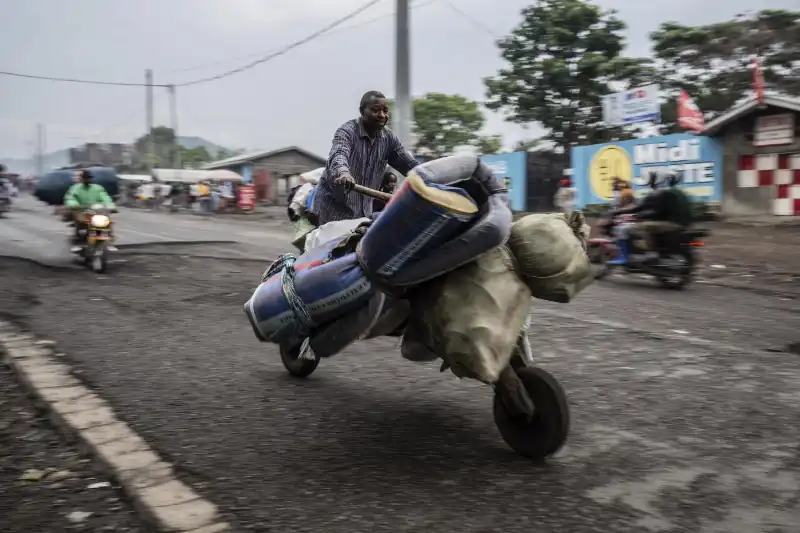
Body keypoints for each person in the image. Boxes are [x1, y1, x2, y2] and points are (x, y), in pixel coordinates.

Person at [312, 90, 419, 225]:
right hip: (333, 213)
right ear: (362, 111)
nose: (382, 115)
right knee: (336, 245)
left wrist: (429, 177)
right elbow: (338, 155)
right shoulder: (347, 132)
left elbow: (409, 165)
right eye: (375, 110)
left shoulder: (389, 139)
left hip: (363, 214)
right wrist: (344, 173)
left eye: (385, 111)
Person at [614, 170, 692, 261]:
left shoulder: (667, 193)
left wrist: (642, 215)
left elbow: (658, 211)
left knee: (645, 227)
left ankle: (652, 252)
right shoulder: (678, 192)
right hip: (683, 223)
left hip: (675, 224)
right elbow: (661, 210)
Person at [63, 169, 116, 252]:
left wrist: (110, 205)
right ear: (82, 179)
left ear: (91, 179)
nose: (87, 180)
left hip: (96, 212)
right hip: (82, 212)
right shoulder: (75, 188)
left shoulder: (98, 188)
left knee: (107, 222)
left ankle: (109, 242)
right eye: (85, 178)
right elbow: (70, 198)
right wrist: (73, 204)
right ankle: (78, 242)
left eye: (89, 178)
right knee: (80, 223)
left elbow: (105, 197)